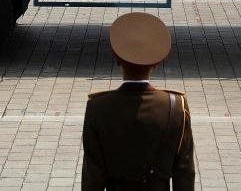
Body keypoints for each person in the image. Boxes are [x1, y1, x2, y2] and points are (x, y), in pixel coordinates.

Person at [82, 13, 195, 190]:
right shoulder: (176, 108)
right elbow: (184, 174)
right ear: (156, 63)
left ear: (117, 60)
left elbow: (92, 178)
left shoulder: (97, 108)